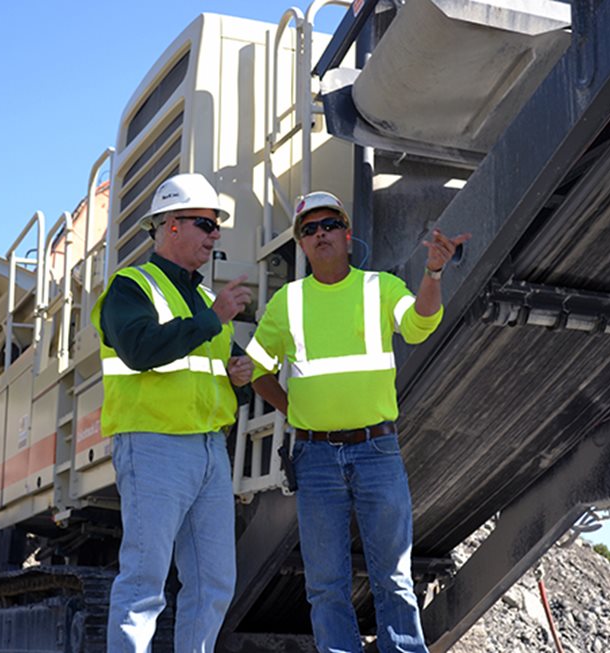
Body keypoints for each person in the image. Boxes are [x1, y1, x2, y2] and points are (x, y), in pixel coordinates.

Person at [246, 191, 470, 653]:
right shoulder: (287, 303)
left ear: (347, 235)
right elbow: (257, 371)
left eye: (328, 225)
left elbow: (419, 324)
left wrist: (433, 273)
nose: (319, 234)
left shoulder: (379, 287)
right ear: (302, 245)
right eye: (309, 229)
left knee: (393, 576)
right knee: (326, 583)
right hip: (316, 458)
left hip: (376, 452)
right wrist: (298, 413)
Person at [91, 172, 254, 652]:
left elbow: (203, 375)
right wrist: (214, 319)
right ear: (170, 225)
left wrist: (235, 380)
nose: (215, 234)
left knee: (214, 583)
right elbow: (140, 350)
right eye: (206, 223)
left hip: (208, 450)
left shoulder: (206, 300)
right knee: (144, 583)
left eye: (217, 224)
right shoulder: (132, 286)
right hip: (154, 444)